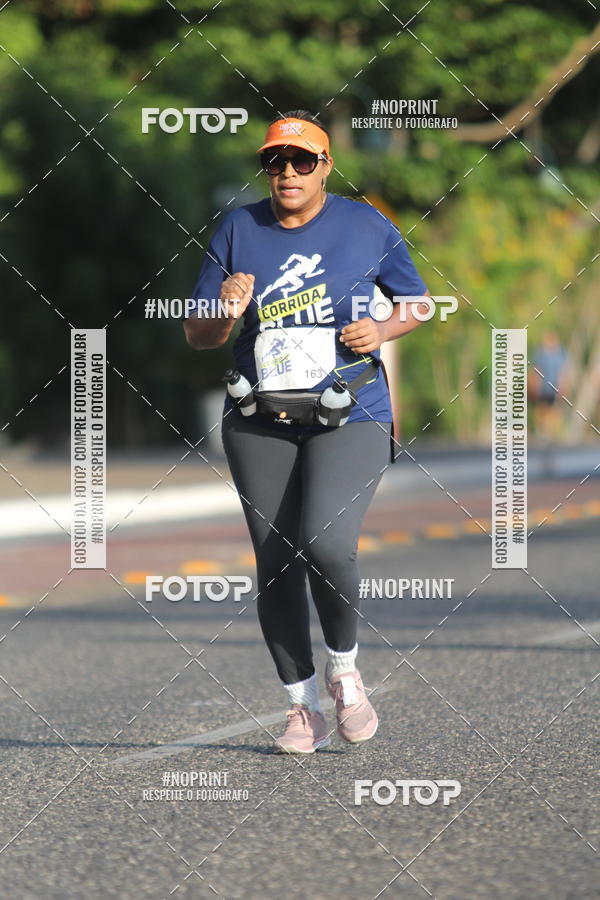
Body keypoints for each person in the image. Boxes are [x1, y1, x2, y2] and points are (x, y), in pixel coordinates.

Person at [184, 110, 430, 754]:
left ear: (325, 167)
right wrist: (225, 312)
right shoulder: (238, 229)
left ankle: (344, 669)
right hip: (258, 418)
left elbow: (418, 302)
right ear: (265, 169)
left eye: (301, 161)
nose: (287, 172)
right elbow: (198, 334)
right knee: (275, 561)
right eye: (275, 161)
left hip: (351, 411)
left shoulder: (365, 224)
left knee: (327, 542)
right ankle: (301, 707)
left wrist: (382, 329)